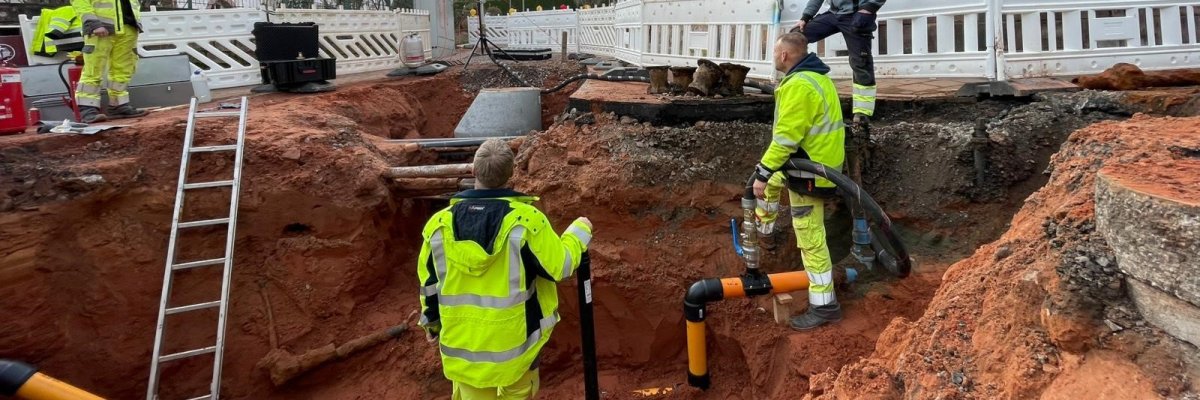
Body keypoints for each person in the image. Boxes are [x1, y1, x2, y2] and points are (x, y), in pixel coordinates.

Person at [417, 139, 594, 399]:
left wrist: (431, 324)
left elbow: (429, 284)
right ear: (511, 174)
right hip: (515, 348)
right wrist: (579, 232)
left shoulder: (438, 226)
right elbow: (561, 266)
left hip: (463, 349)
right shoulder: (527, 221)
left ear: (474, 172)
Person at [752, 32, 846, 330]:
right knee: (772, 182)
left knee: (810, 237)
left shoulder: (800, 86)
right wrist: (769, 175)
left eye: (774, 53)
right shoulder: (817, 77)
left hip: (810, 172)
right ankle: (764, 231)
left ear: (784, 56)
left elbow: (785, 139)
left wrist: (762, 173)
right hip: (817, 161)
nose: (773, 58)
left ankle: (824, 305)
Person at [791, 0, 884, 127]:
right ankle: (798, 88)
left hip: (857, 15)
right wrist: (805, 17)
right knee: (795, 37)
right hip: (834, 14)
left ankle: (862, 112)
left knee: (861, 62)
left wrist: (868, 8)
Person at [72, 0, 147, 123]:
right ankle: (88, 110)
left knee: (123, 69)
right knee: (93, 69)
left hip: (128, 27)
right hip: (100, 28)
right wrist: (93, 23)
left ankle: (118, 105)